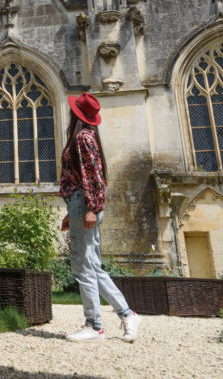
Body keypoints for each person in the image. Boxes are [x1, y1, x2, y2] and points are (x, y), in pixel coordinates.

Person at [60, 92, 140, 343]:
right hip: (81, 204)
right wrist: (72, 213)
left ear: (76, 115)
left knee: (82, 266)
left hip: (84, 203)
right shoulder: (89, 137)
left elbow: (94, 177)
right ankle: (127, 314)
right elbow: (87, 178)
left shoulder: (82, 138)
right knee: (92, 265)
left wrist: (91, 208)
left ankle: (94, 325)